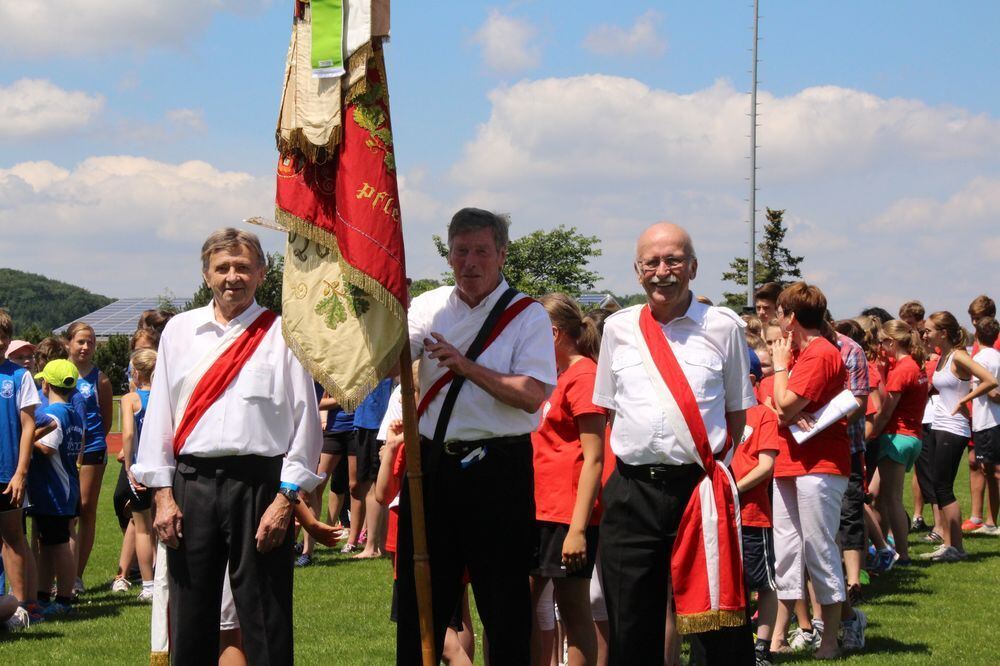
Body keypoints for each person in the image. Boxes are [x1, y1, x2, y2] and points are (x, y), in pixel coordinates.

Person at [131, 227, 324, 664]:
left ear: (261, 273)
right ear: (206, 274)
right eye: (222, 268)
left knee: (266, 617)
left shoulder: (284, 332)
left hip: (261, 487)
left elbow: (306, 423)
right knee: (190, 616)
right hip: (191, 485)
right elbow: (160, 416)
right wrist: (162, 495)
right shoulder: (180, 331)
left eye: (242, 267)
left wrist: (286, 499)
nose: (232, 277)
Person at [396, 207, 557, 665]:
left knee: (503, 602)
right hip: (431, 467)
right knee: (420, 599)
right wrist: (380, 317)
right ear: (449, 256)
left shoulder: (527, 315)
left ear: (502, 254)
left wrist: (465, 366)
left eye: (481, 251)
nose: (470, 262)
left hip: (498, 470)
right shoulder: (429, 305)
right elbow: (389, 366)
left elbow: (531, 395)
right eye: (461, 251)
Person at [593, 222, 755, 664]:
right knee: (630, 626)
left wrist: (708, 472)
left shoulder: (723, 328)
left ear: (693, 267)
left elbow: (737, 414)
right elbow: (610, 410)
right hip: (632, 493)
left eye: (673, 260)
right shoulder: (617, 328)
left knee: (717, 627)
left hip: (699, 492)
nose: (662, 271)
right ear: (637, 271)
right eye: (652, 262)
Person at [769, 282, 850, 659]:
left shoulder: (819, 353)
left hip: (820, 464)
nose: (776, 320)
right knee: (786, 550)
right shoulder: (801, 354)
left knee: (819, 547)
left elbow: (783, 405)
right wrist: (784, 405)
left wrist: (780, 371)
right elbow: (770, 402)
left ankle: (830, 638)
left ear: (791, 318)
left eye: (779, 313)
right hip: (790, 461)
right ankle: (778, 636)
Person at [530, 293, 606, 666]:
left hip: (566, 515)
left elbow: (594, 457)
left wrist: (577, 529)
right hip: (541, 511)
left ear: (554, 333)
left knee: (574, 611)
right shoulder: (557, 376)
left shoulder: (584, 375)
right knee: (520, 604)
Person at [919, 311, 998, 562]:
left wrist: (966, 400)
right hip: (939, 425)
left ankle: (957, 548)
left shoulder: (959, 355)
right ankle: (948, 544)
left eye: (929, 330)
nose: (925, 335)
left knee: (943, 487)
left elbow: (989, 380)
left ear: (943, 333)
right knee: (937, 485)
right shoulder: (943, 356)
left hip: (954, 428)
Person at [28, 359, 85, 617]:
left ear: (46, 385)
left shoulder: (53, 415)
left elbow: (48, 447)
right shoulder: (74, 413)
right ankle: (43, 595)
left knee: (59, 544)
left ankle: (63, 599)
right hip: (64, 488)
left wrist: (25, 441)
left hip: (54, 490)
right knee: (49, 543)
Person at [869, 320, 929, 563]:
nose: (880, 347)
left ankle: (902, 554)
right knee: (875, 494)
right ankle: (883, 547)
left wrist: (871, 433)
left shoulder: (902, 370)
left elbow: (886, 411)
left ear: (891, 342)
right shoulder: (915, 365)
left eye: (882, 342)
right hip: (912, 437)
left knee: (892, 499)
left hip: (897, 438)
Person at [730, 403, 781, 666]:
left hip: (752, 514)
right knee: (730, 584)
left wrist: (733, 490)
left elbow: (766, 465)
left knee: (762, 582)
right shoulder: (716, 409)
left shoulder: (762, 414)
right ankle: (734, 645)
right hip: (721, 516)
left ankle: (762, 647)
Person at [65, 321, 113, 594]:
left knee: (85, 508)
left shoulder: (100, 379)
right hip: (62, 450)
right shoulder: (57, 373)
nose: (85, 347)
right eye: (80, 341)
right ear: (68, 343)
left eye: (90, 342)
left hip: (92, 449)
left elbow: (106, 421)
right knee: (65, 512)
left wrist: (90, 445)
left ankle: (76, 576)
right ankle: (60, 572)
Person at [0, 309, 41, 628]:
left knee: (13, 537)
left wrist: (20, 471)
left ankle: (20, 606)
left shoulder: (18, 376)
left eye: (3, 337)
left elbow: (29, 426)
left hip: (7, 473)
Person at [119, 349, 157, 601]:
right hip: (164, 466)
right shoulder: (164, 395)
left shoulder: (130, 399)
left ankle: (149, 585)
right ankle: (165, 580)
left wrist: (128, 464)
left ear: (135, 372)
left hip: (141, 467)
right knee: (163, 525)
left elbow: (129, 433)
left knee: (143, 528)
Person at [962, 296, 1000, 533]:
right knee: (975, 463)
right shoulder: (977, 345)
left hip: (991, 418)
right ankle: (977, 516)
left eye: (978, 318)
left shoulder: (993, 344)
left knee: (993, 469)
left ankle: (991, 520)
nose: (974, 323)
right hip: (976, 416)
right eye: (972, 318)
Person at [347, 376, 394, 559]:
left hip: (375, 425)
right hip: (364, 424)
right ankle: (381, 545)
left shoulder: (381, 365)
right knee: (369, 486)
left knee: (373, 488)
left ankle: (372, 547)